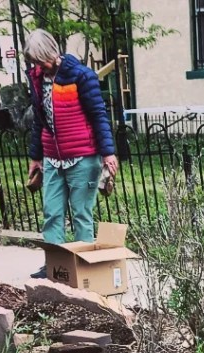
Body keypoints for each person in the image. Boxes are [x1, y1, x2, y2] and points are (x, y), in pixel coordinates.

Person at [24, 29, 119, 278]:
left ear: (51, 53)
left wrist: (108, 153)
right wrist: (36, 158)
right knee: (52, 212)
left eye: (40, 60)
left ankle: (82, 265)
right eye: (33, 62)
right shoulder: (36, 78)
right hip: (52, 158)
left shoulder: (81, 76)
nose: (38, 66)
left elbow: (99, 116)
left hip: (83, 157)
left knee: (81, 214)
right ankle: (54, 267)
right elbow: (39, 122)